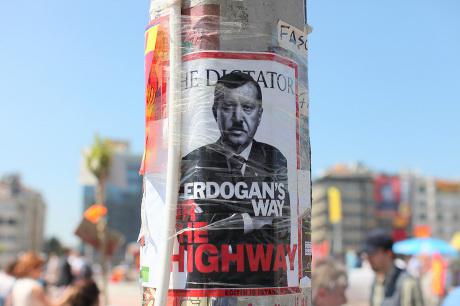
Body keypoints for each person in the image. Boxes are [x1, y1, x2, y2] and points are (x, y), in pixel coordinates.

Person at [177, 71, 291, 288]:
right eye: (228, 107)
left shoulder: (274, 160)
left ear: (259, 114)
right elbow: (189, 236)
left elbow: (281, 234)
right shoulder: (194, 162)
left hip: (263, 288)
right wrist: (252, 220)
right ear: (215, 112)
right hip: (208, 291)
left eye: (247, 108)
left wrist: (221, 228)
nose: (238, 118)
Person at [363, 229, 424, 306]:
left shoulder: (407, 283)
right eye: (367, 254)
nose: (369, 258)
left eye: (373, 253)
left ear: (388, 253)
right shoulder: (376, 282)